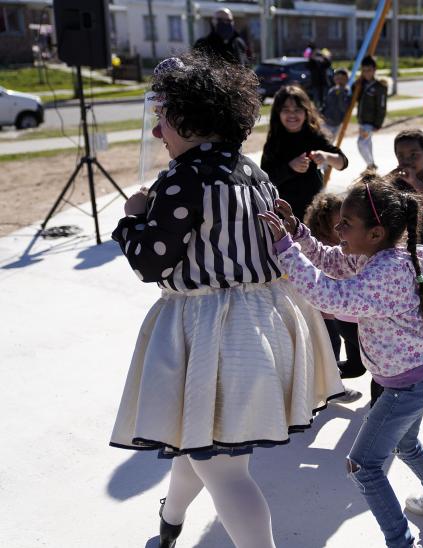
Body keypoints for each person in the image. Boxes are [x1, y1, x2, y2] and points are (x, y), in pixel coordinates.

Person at [109, 53, 344, 548]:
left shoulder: (182, 178)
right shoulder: (253, 174)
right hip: (264, 324)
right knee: (206, 445)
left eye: (163, 120)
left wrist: (132, 219)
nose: (158, 134)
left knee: (224, 470)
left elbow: (151, 264)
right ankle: (169, 523)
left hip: (212, 332)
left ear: (192, 120)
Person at [259, 175, 423, 548]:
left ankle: (401, 541)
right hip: (414, 380)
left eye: (346, 223)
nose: (337, 227)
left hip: (408, 387)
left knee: (363, 466)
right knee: (406, 445)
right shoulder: (376, 255)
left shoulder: (384, 273)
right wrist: (299, 234)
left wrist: (287, 250)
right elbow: (331, 261)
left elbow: (330, 296)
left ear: (375, 232)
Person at [304, 193, 366, 401]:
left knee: (354, 364)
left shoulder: (350, 245)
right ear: (323, 224)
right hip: (326, 314)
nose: (341, 229)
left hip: (346, 315)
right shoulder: (323, 248)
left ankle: (320, 380)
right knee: (331, 350)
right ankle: (330, 387)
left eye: (346, 223)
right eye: (338, 224)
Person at [260, 85, 348, 222]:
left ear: (306, 112)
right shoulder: (274, 143)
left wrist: (326, 156)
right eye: (286, 110)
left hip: (313, 213)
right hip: (285, 214)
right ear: (278, 113)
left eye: (297, 109)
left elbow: (343, 163)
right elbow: (265, 180)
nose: (292, 115)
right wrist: (290, 168)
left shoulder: (315, 137)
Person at [356, 56, 388, 170]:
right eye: (364, 71)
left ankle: (371, 165)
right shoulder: (361, 84)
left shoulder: (380, 87)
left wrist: (378, 124)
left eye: (369, 70)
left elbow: (382, 107)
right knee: (367, 144)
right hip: (361, 120)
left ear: (374, 70)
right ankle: (371, 164)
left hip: (370, 122)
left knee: (361, 143)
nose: (366, 73)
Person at [322, 68, 352, 138]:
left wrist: (341, 93)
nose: (339, 80)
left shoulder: (347, 93)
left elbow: (344, 108)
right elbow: (326, 104)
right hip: (325, 121)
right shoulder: (332, 90)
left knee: (329, 142)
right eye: (337, 77)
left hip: (336, 123)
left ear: (347, 79)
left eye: (342, 78)